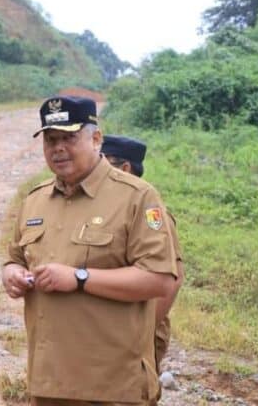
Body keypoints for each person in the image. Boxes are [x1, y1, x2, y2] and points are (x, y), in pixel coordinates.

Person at [2, 96, 177, 406]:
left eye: (69, 138)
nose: (57, 148)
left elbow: (159, 279)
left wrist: (80, 277)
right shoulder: (36, 200)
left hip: (112, 386)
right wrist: (12, 274)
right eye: (50, 139)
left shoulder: (136, 197)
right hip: (48, 384)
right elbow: (14, 259)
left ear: (96, 138)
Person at [101, 135, 185, 376]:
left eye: (102, 161)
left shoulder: (151, 211)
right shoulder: (109, 208)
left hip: (138, 332)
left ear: (124, 168)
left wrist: (141, 332)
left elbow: (174, 278)